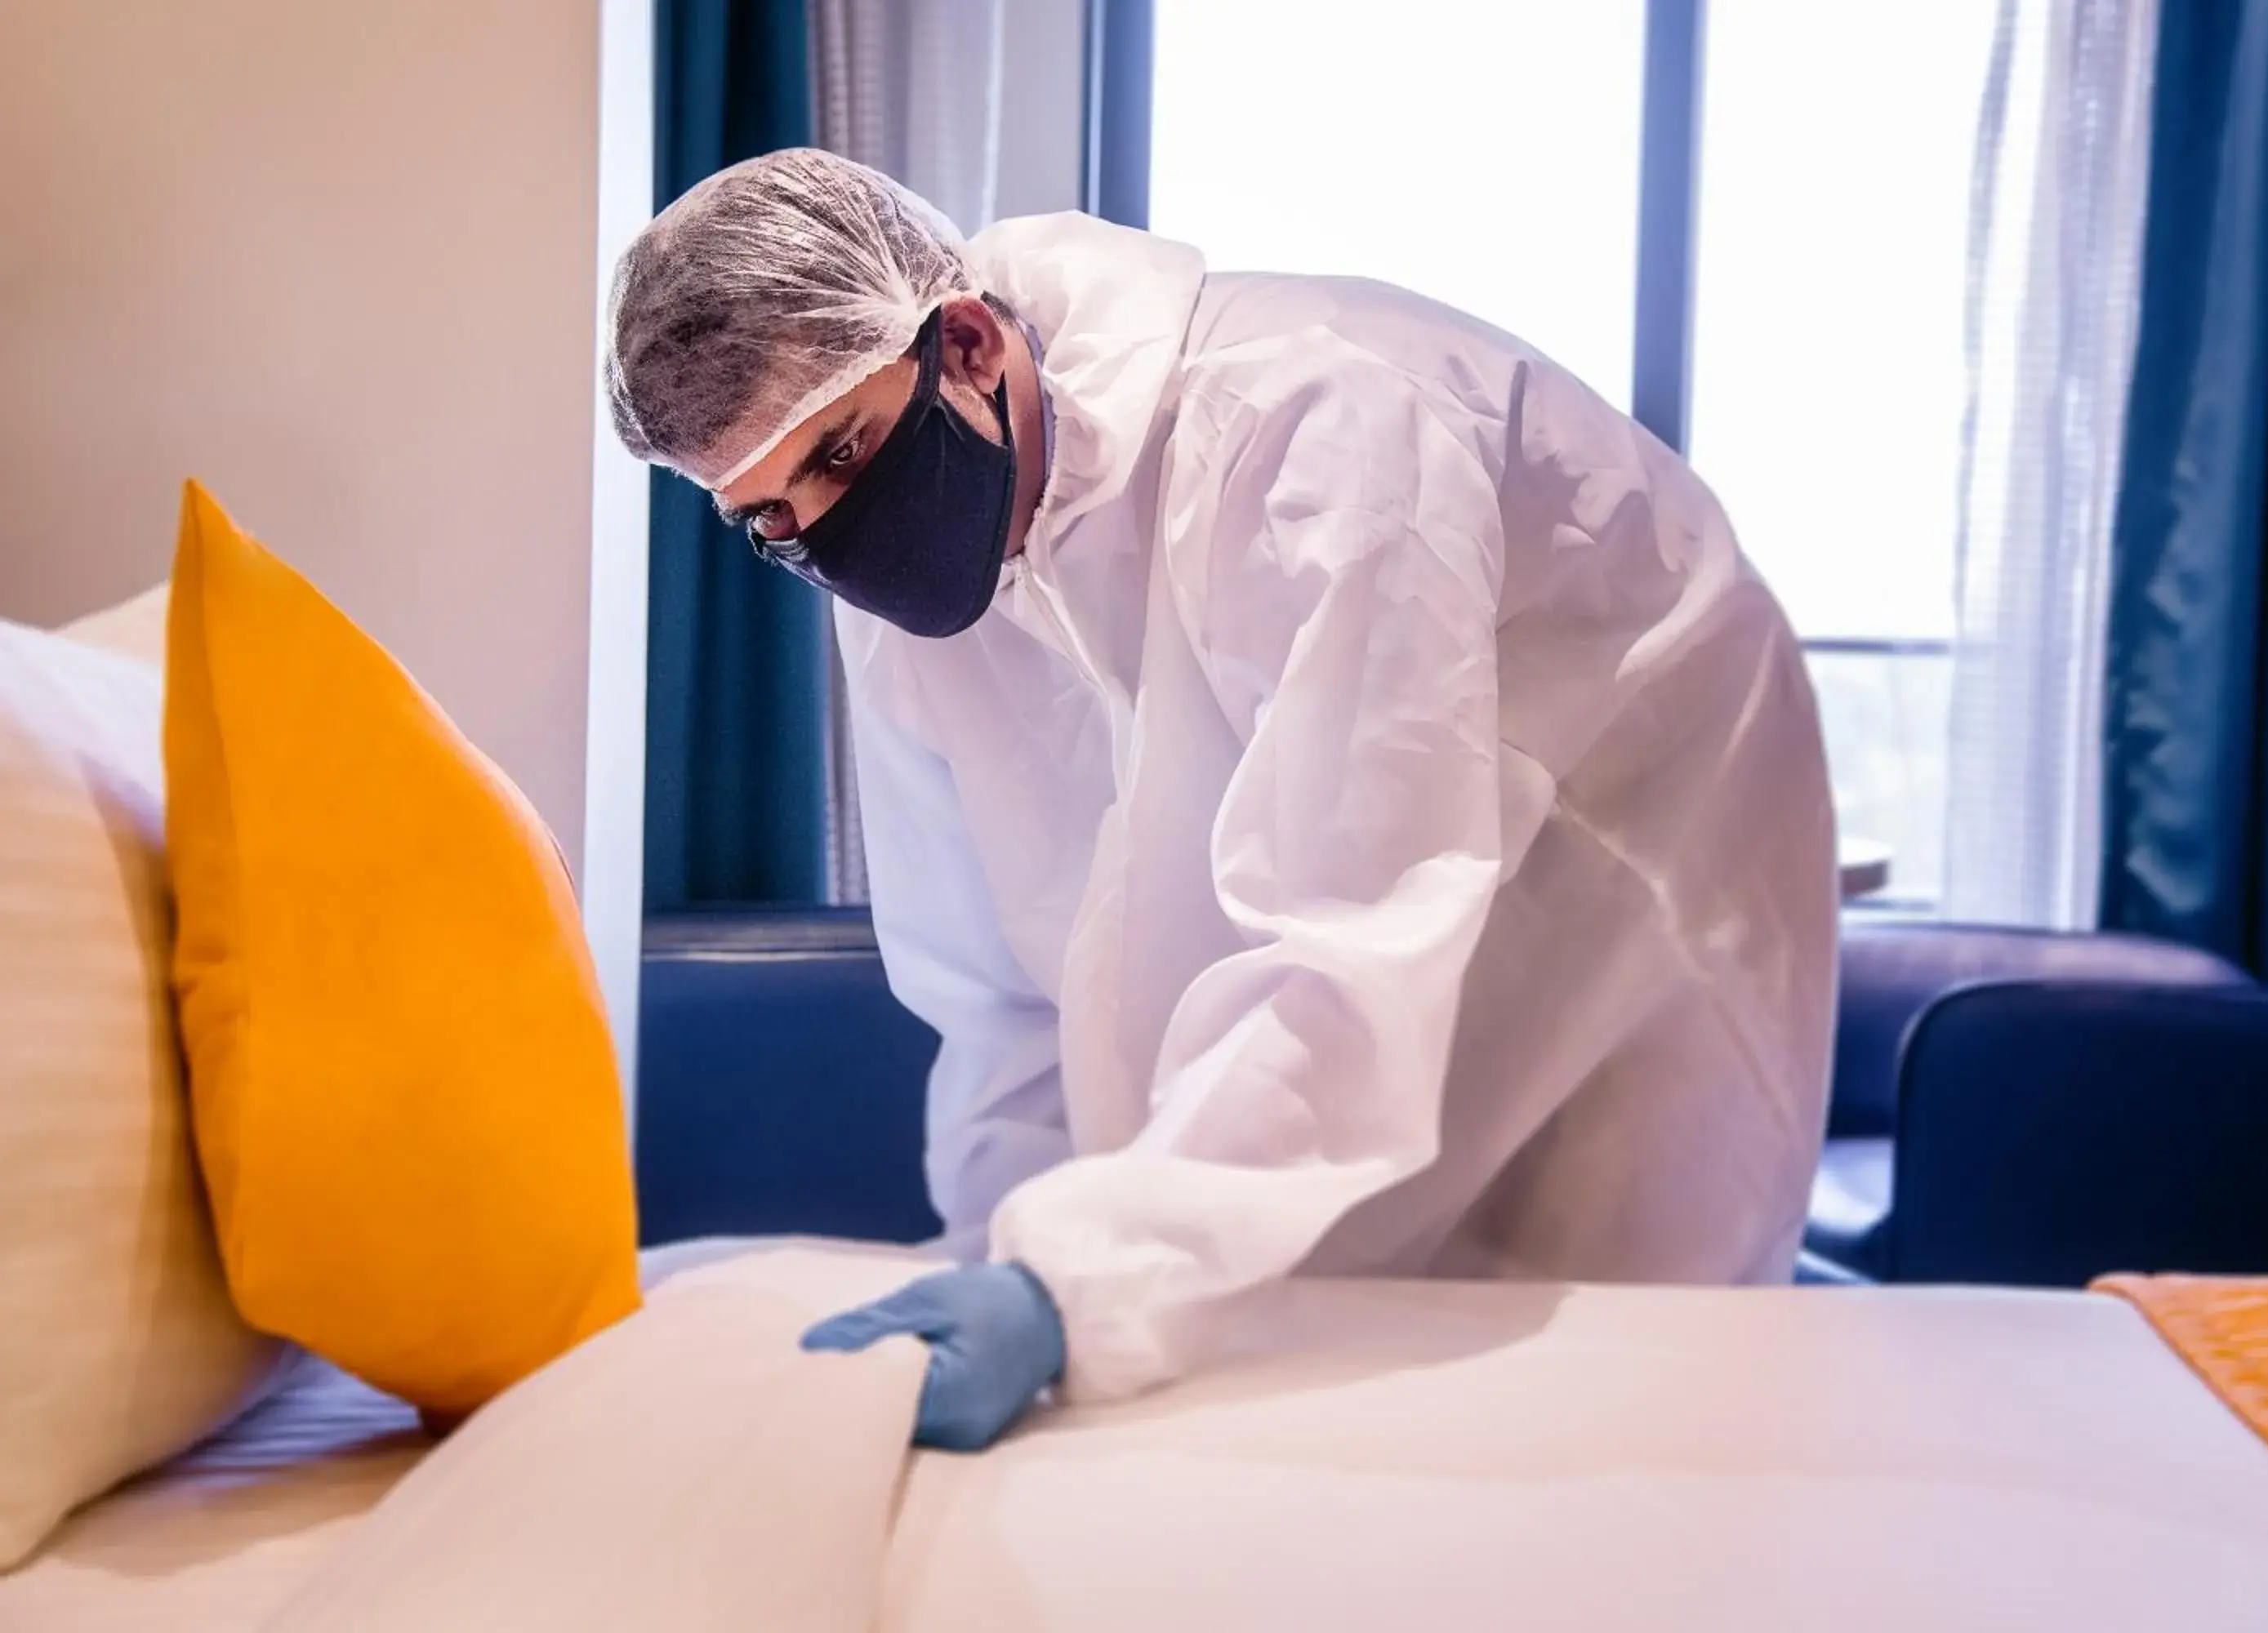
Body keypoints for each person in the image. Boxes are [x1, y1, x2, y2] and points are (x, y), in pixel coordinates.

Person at [604, 149, 1838, 1453]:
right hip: (1390, 888)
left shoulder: (1316, 424)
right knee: (1270, 1374)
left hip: (1630, 858)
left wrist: (1079, 1287)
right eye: (769, 518)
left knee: (1599, 1385)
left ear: (965, 344)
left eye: (841, 455)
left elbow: (1348, 930)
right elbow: (989, 987)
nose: (827, 532)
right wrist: (1013, 1258)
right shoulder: (910, 577)